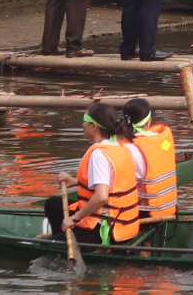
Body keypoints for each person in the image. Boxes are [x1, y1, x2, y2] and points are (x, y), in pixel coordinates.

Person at [46, 102, 143, 249]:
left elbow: (101, 197)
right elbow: (112, 184)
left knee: (49, 248)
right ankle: (65, 237)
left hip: (103, 228)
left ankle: (63, 242)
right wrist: (77, 182)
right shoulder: (120, 146)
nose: (82, 125)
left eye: (85, 121)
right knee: (53, 204)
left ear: (93, 126)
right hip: (123, 223)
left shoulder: (99, 153)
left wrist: (73, 219)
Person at [124, 98, 179, 224]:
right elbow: (161, 149)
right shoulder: (163, 140)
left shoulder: (126, 149)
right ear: (149, 121)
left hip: (144, 212)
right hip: (170, 207)